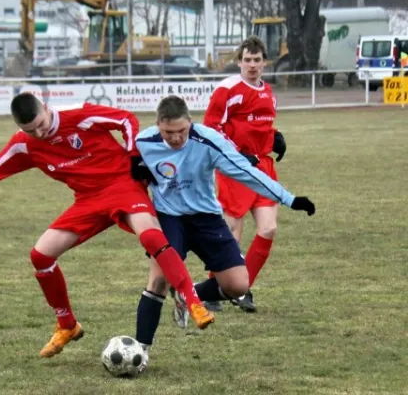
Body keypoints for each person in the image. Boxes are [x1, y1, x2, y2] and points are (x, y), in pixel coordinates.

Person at [0, 93, 216, 358]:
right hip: (88, 201)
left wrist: (133, 158)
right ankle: (67, 324)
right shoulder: (25, 143)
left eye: (41, 125)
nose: (40, 134)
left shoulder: (79, 115)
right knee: (41, 255)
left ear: (45, 107)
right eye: (31, 130)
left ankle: (193, 302)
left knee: (151, 237)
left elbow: (125, 119)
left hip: (123, 187)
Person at [131, 95, 315, 372]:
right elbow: (121, 170)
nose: (177, 138)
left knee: (237, 285)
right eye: (169, 132)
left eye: (182, 131)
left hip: (206, 218)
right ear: (157, 125)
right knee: (158, 281)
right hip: (168, 218)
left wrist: (289, 199)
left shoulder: (206, 140)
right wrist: (135, 173)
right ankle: (140, 351)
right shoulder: (143, 143)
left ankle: (187, 293)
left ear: (190, 123)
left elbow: (244, 171)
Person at [202, 35, 287, 312]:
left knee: (269, 228)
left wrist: (275, 137)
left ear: (264, 63)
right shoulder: (227, 89)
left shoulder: (267, 90)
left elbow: (260, 124)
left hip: (263, 168)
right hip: (236, 168)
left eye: (257, 60)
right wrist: (236, 154)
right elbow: (211, 127)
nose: (252, 65)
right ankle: (215, 288)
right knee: (232, 233)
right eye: (247, 60)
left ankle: (242, 288)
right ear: (239, 61)